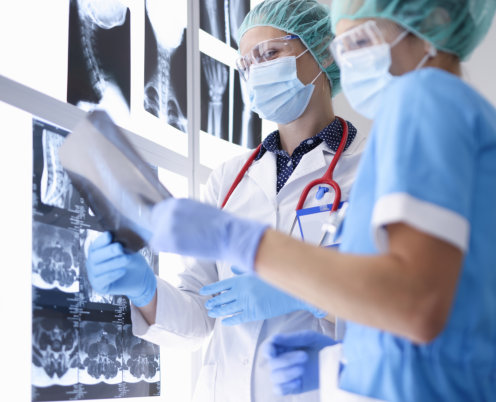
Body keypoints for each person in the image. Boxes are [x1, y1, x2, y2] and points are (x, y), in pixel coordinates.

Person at [145, 0, 496, 401]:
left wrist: (242, 241)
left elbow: (415, 302)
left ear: (434, 22)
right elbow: (448, 311)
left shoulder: (424, 98)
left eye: (361, 39)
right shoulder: (469, 115)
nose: (349, 58)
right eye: (344, 45)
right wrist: (344, 364)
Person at [85, 1, 368, 401]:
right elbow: (200, 315)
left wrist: (304, 293)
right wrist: (145, 289)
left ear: (322, 52)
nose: (256, 71)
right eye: (246, 65)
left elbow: (391, 309)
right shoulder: (229, 179)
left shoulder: (368, 172)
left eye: (269, 54)